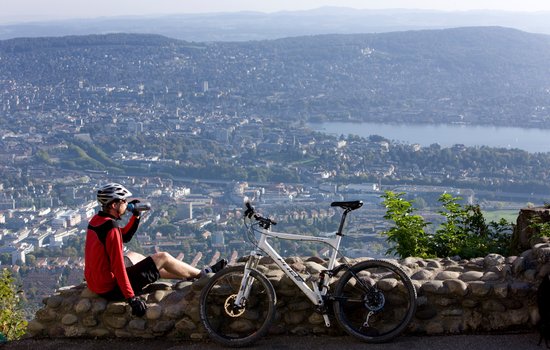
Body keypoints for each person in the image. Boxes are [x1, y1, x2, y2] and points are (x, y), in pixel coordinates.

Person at [84, 182, 227, 317]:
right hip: (112, 289)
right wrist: (131, 299)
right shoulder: (111, 228)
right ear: (114, 205)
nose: (126, 204)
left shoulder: (97, 220)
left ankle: (186, 275)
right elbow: (118, 267)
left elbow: (125, 236)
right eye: (124, 201)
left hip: (97, 283)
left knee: (136, 256)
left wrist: (136, 216)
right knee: (162, 258)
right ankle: (203, 274)